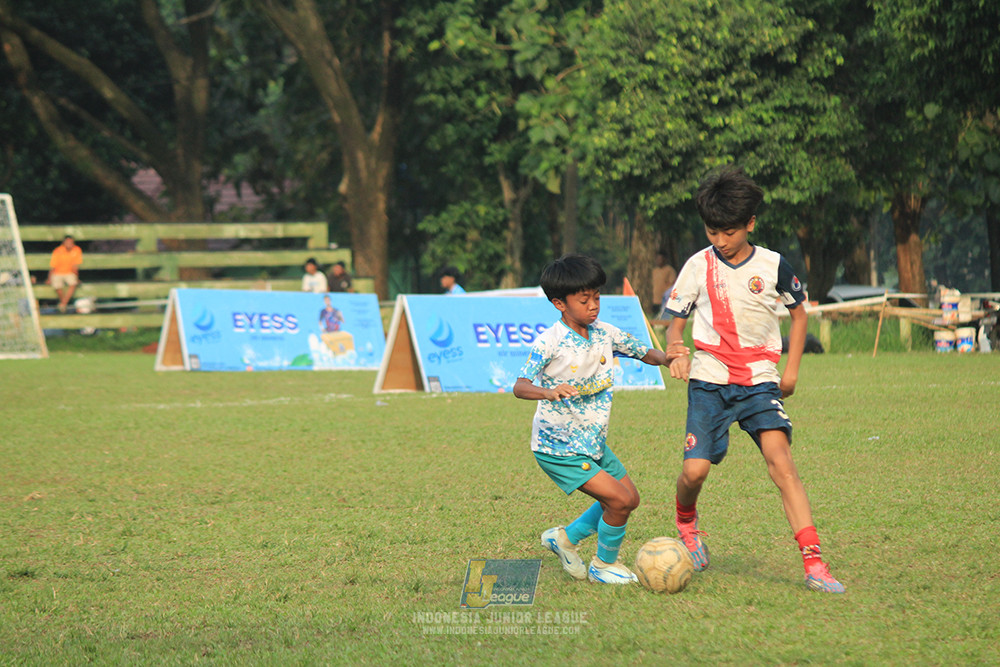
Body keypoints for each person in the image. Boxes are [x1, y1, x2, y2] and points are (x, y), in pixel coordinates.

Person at [663, 165, 845, 593]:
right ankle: (687, 524)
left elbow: (799, 314)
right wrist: (676, 350)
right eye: (712, 232)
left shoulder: (774, 265)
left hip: (760, 381)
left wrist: (791, 371)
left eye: (728, 232)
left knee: (782, 463)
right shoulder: (697, 265)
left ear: (750, 224)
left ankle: (814, 563)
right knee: (694, 473)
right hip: (709, 380)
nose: (720, 240)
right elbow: (675, 324)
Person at [513, 254, 686, 585]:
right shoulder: (550, 342)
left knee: (629, 499)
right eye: (584, 300)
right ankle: (603, 566)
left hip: (592, 441)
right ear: (559, 303)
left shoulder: (605, 333)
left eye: (597, 297)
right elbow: (520, 386)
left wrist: (667, 358)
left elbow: (643, 352)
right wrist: (548, 392)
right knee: (619, 500)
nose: (593, 306)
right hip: (559, 447)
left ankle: (564, 539)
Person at [47, 235, 83, 313]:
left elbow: (75, 267)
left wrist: (77, 278)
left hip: (69, 272)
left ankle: (63, 304)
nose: (69, 244)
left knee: (73, 283)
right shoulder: (58, 251)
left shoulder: (77, 250)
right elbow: (53, 266)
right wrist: (49, 278)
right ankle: (64, 304)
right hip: (58, 272)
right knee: (57, 285)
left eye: (71, 242)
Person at [651, 251, 677, 317]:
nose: (658, 261)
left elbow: (672, 284)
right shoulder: (654, 271)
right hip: (655, 299)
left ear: (665, 259)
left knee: (664, 317)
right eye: (657, 259)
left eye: (660, 259)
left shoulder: (669, 270)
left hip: (664, 299)